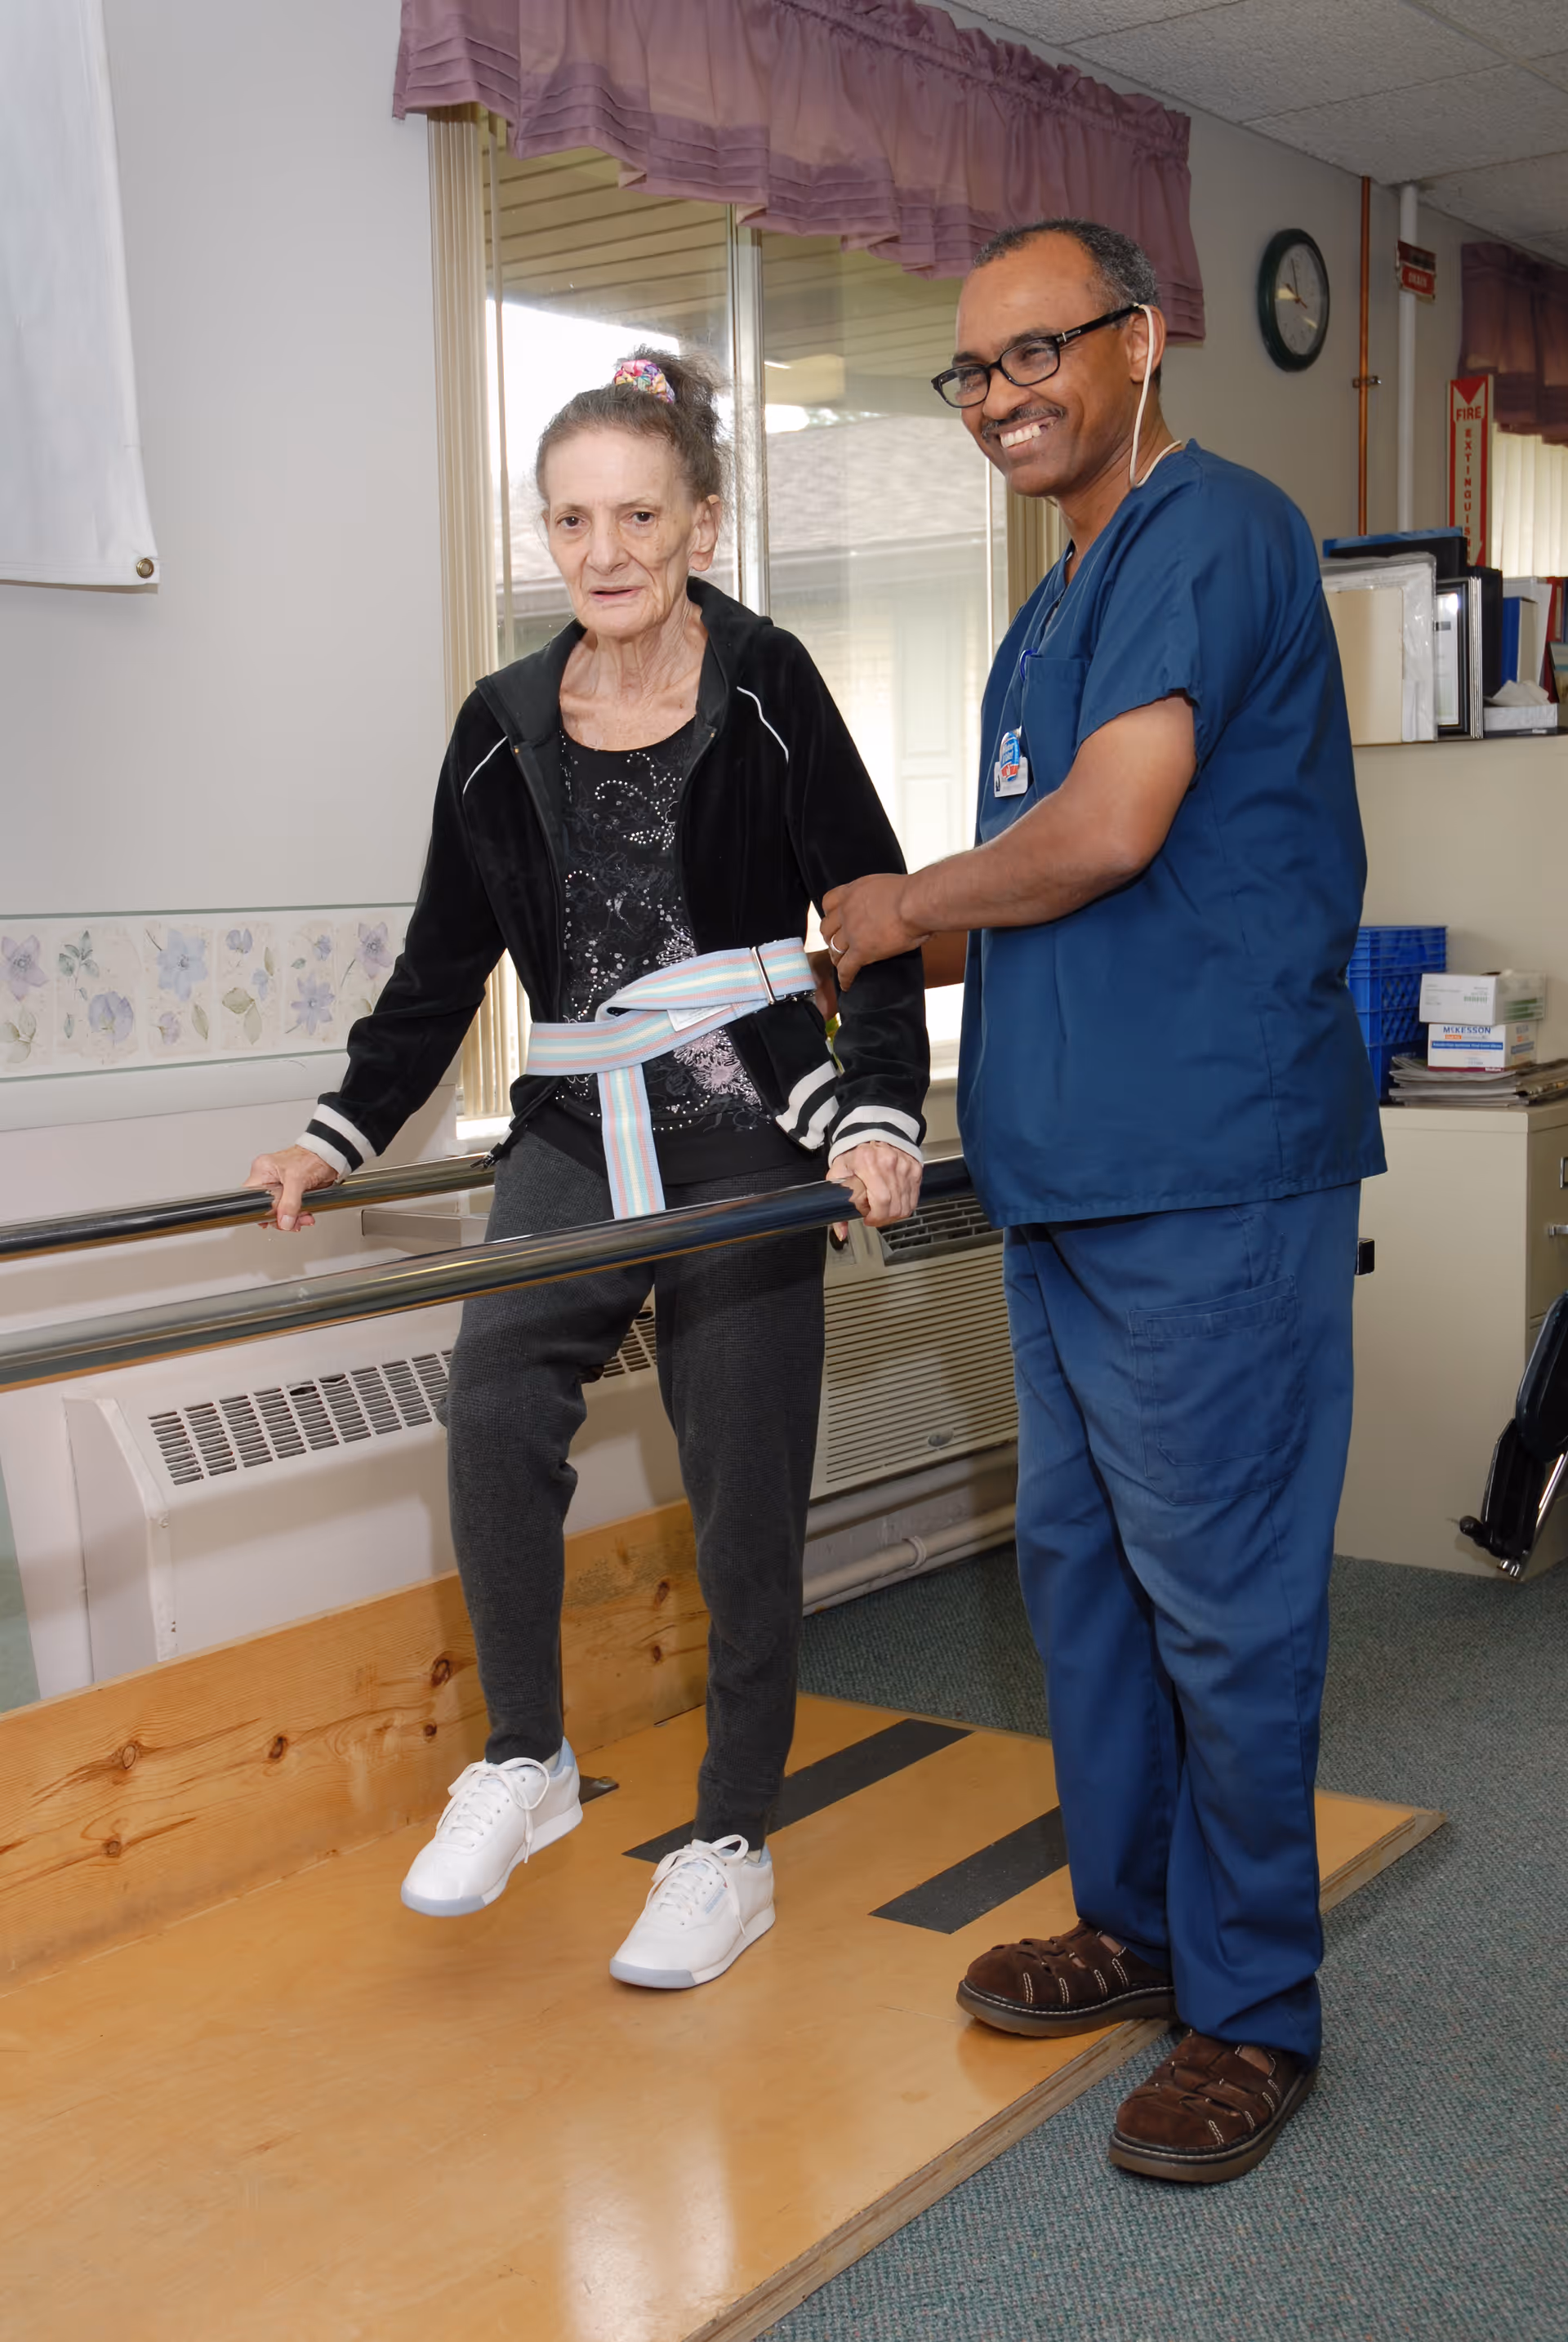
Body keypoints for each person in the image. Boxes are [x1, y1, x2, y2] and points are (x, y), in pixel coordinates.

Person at [247, 348, 927, 1990]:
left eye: (638, 512)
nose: (605, 547)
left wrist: (883, 1108)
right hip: (569, 1135)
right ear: (546, 535)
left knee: (744, 1495)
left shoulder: (768, 688)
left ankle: (732, 1842)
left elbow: (878, 912)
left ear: (698, 520)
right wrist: (338, 1133)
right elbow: (440, 967)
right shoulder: (498, 728)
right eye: (572, 519)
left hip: (747, 1133)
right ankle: (530, 1760)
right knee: (492, 1414)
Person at [819, 221, 1383, 2183]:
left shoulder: (1218, 530)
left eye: (1035, 353)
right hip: (1063, 1192)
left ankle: (1252, 2010)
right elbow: (1036, 886)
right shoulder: (1042, 619)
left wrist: (906, 903)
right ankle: (1137, 1931)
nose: (1001, 397)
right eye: (970, 373)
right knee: (1089, 1594)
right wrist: (845, 950)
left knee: (1223, 1614)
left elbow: (1115, 829)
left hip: (1212, 1174)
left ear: (1141, 344)